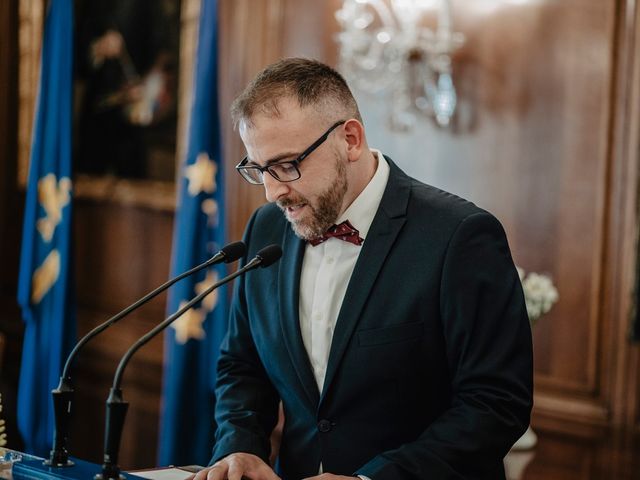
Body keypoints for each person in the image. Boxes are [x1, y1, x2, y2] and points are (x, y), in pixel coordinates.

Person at [196, 58, 533, 480]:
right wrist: (241, 446)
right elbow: (242, 365)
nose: (273, 192)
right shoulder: (266, 228)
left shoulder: (460, 237)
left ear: (350, 139)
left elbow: (495, 403)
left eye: (286, 165)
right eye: (258, 169)